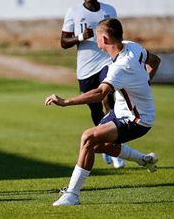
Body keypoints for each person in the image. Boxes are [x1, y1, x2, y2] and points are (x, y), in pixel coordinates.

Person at [45, 18, 161, 206]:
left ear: (104, 39)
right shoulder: (133, 46)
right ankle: (143, 160)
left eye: (97, 38)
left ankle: (72, 195)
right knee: (97, 146)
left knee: (88, 138)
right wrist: (144, 83)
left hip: (138, 119)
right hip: (122, 111)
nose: (96, 41)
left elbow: (100, 94)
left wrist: (65, 102)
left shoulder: (120, 67)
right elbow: (155, 61)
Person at [61, 0, 124, 168]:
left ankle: (115, 147)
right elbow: (63, 42)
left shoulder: (109, 10)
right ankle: (104, 144)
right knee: (95, 108)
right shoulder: (73, 12)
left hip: (107, 63)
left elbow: (116, 35)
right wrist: (81, 37)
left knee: (107, 100)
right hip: (85, 68)